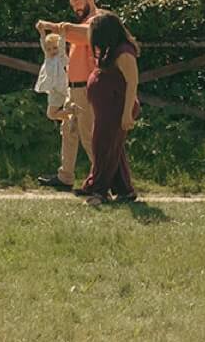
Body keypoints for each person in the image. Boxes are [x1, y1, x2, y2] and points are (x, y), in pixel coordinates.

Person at [44, 11, 140, 205]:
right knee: (114, 150)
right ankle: (125, 191)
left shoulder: (124, 53)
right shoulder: (110, 50)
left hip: (118, 107)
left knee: (102, 146)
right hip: (107, 107)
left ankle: (98, 191)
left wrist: (127, 113)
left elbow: (132, 83)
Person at [37, 0, 99, 190]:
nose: (76, 8)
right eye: (73, 5)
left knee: (88, 134)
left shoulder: (97, 22)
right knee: (68, 131)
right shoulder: (81, 23)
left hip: (85, 88)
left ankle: (101, 178)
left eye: (78, 3)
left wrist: (53, 27)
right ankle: (66, 176)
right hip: (71, 88)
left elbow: (81, 34)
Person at [35, 29, 71, 124]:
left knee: (70, 104)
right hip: (54, 90)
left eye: (55, 48)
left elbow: (62, 46)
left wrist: (62, 34)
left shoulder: (61, 57)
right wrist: (42, 33)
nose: (52, 51)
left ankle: (75, 115)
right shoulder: (48, 58)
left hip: (64, 88)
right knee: (51, 114)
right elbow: (43, 45)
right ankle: (72, 117)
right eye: (49, 49)